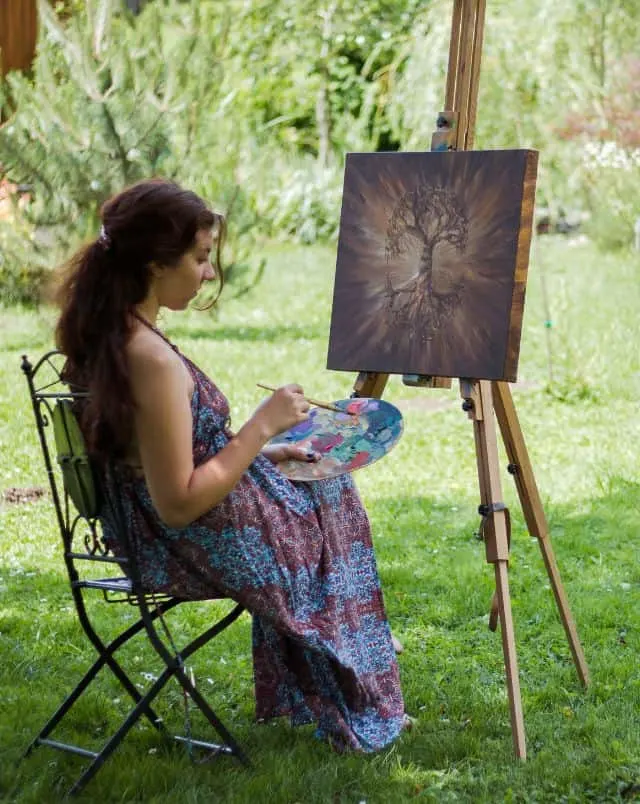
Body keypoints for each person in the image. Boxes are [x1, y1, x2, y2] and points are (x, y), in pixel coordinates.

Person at [54, 178, 406, 752]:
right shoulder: (150, 360)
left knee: (317, 483)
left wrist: (264, 454)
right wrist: (261, 426)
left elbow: (159, 458)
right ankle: (354, 688)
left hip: (148, 526)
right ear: (153, 263)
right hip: (176, 544)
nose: (209, 273)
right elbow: (179, 501)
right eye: (199, 258)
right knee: (331, 498)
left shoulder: (116, 334)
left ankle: (341, 683)